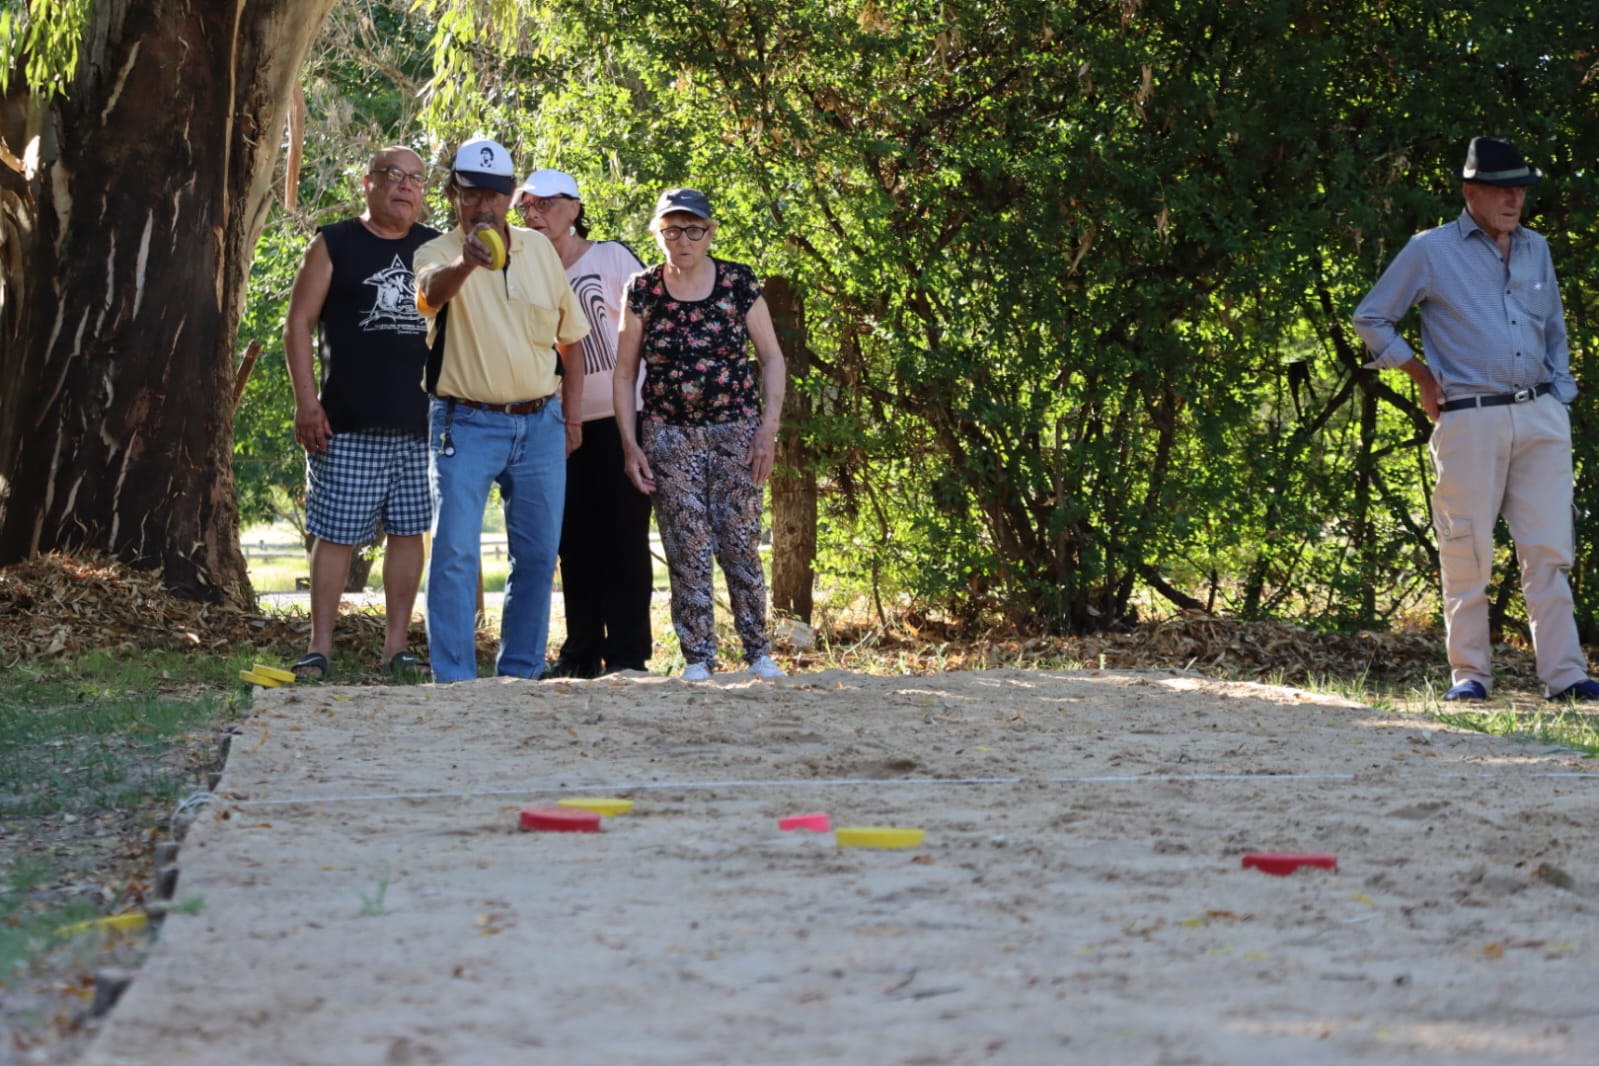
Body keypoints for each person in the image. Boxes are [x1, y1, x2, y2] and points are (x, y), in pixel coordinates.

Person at [1353, 135, 1599, 702]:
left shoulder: (1537, 248)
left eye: (1521, 190)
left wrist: (1559, 394)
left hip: (1541, 415)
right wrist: (1422, 376)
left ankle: (1565, 676)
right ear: (1471, 193)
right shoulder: (1430, 250)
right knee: (1466, 550)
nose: (1515, 199)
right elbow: (1372, 317)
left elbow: (1554, 328)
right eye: (1502, 190)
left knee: (1550, 550)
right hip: (1470, 417)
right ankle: (1470, 675)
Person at [413, 138, 589, 683]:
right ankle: (455, 682)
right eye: (471, 194)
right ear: (453, 194)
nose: (483, 206)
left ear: (512, 196)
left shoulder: (539, 250)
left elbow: (571, 341)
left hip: (541, 423)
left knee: (537, 558)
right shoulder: (436, 251)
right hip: (464, 423)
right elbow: (429, 294)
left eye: (494, 195)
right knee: (455, 553)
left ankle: (520, 676)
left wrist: (572, 419)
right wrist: (466, 263)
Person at [613, 188, 787, 681]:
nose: (683, 240)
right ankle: (698, 658)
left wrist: (768, 429)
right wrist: (630, 443)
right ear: (658, 234)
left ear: (710, 233)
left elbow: (772, 358)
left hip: (737, 432)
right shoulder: (642, 289)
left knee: (740, 542)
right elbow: (624, 374)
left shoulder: (737, 282)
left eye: (693, 230)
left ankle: (758, 652)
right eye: (672, 230)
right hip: (669, 435)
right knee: (685, 546)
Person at [283, 145, 438, 680]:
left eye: (416, 178)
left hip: (420, 424)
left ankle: (397, 648)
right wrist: (307, 403)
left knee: (409, 534)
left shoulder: (435, 248)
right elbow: (297, 324)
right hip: (345, 422)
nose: (406, 185)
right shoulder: (334, 243)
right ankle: (319, 648)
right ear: (368, 183)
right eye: (394, 175)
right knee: (336, 536)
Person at [514, 170, 653, 678]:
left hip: (624, 420)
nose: (535, 215)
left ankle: (629, 656)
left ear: (574, 207)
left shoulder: (611, 258)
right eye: (526, 207)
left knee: (625, 538)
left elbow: (650, 329)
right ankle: (580, 653)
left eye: (546, 204)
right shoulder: (521, 268)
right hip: (555, 422)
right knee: (571, 541)